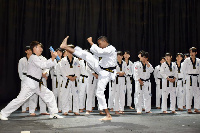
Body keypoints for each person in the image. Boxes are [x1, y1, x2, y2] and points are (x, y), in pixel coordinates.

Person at [0, 41, 63, 120]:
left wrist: (53, 59)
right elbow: (43, 65)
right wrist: (53, 58)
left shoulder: (38, 58)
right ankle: (3, 113)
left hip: (37, 83)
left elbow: (47, 64)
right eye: (40, 47)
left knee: (49, 95)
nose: (41, 49)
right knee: (20, 100)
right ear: (35, 48)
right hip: (30, 83)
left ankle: (53, 113)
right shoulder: (33, 57)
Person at [60, 36, 117, 121]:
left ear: (104, 41)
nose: (99, 45)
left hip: (106, 72)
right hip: (101, 69)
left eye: (100, 43)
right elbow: (98, 52)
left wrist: (91, 42)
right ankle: (66, 47)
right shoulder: (106, 49)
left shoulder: (111, 49)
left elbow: (98, 52)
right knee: (86, 55)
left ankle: (108, 114)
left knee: (99, 92)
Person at [60, 44, 80, 115]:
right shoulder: (63, 60)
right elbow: (62, 70)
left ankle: (76, 110)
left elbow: (78, 69)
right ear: (67, 51)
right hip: (67, 79)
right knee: (65, 95)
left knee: (76, 95)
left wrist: (75, 77)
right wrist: (68, 76)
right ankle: (65, 110)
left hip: (74, 79)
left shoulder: (76, 60)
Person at [182, 47, 200, 113]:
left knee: (197, 93)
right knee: (189, 93)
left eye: (193, 52)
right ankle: (189, 108)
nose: (191, 53)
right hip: (189, 77)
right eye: (190, 52)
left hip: (196, 77)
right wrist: (185, 78)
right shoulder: (187, 60)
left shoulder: (198, 60)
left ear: (196, 53)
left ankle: (196, 108)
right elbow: (183, 69)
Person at [18, 46, 32, 113]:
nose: (29, 51)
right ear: (25, 51)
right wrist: (22, 78)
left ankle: (29, 107)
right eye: (28, 50)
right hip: (24, 76)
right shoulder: (22, 60)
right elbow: (20, 70)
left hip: (31, 77)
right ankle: (23, 108)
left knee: (30, 92)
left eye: (30, 50)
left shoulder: (33, 59)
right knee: (23, 92)